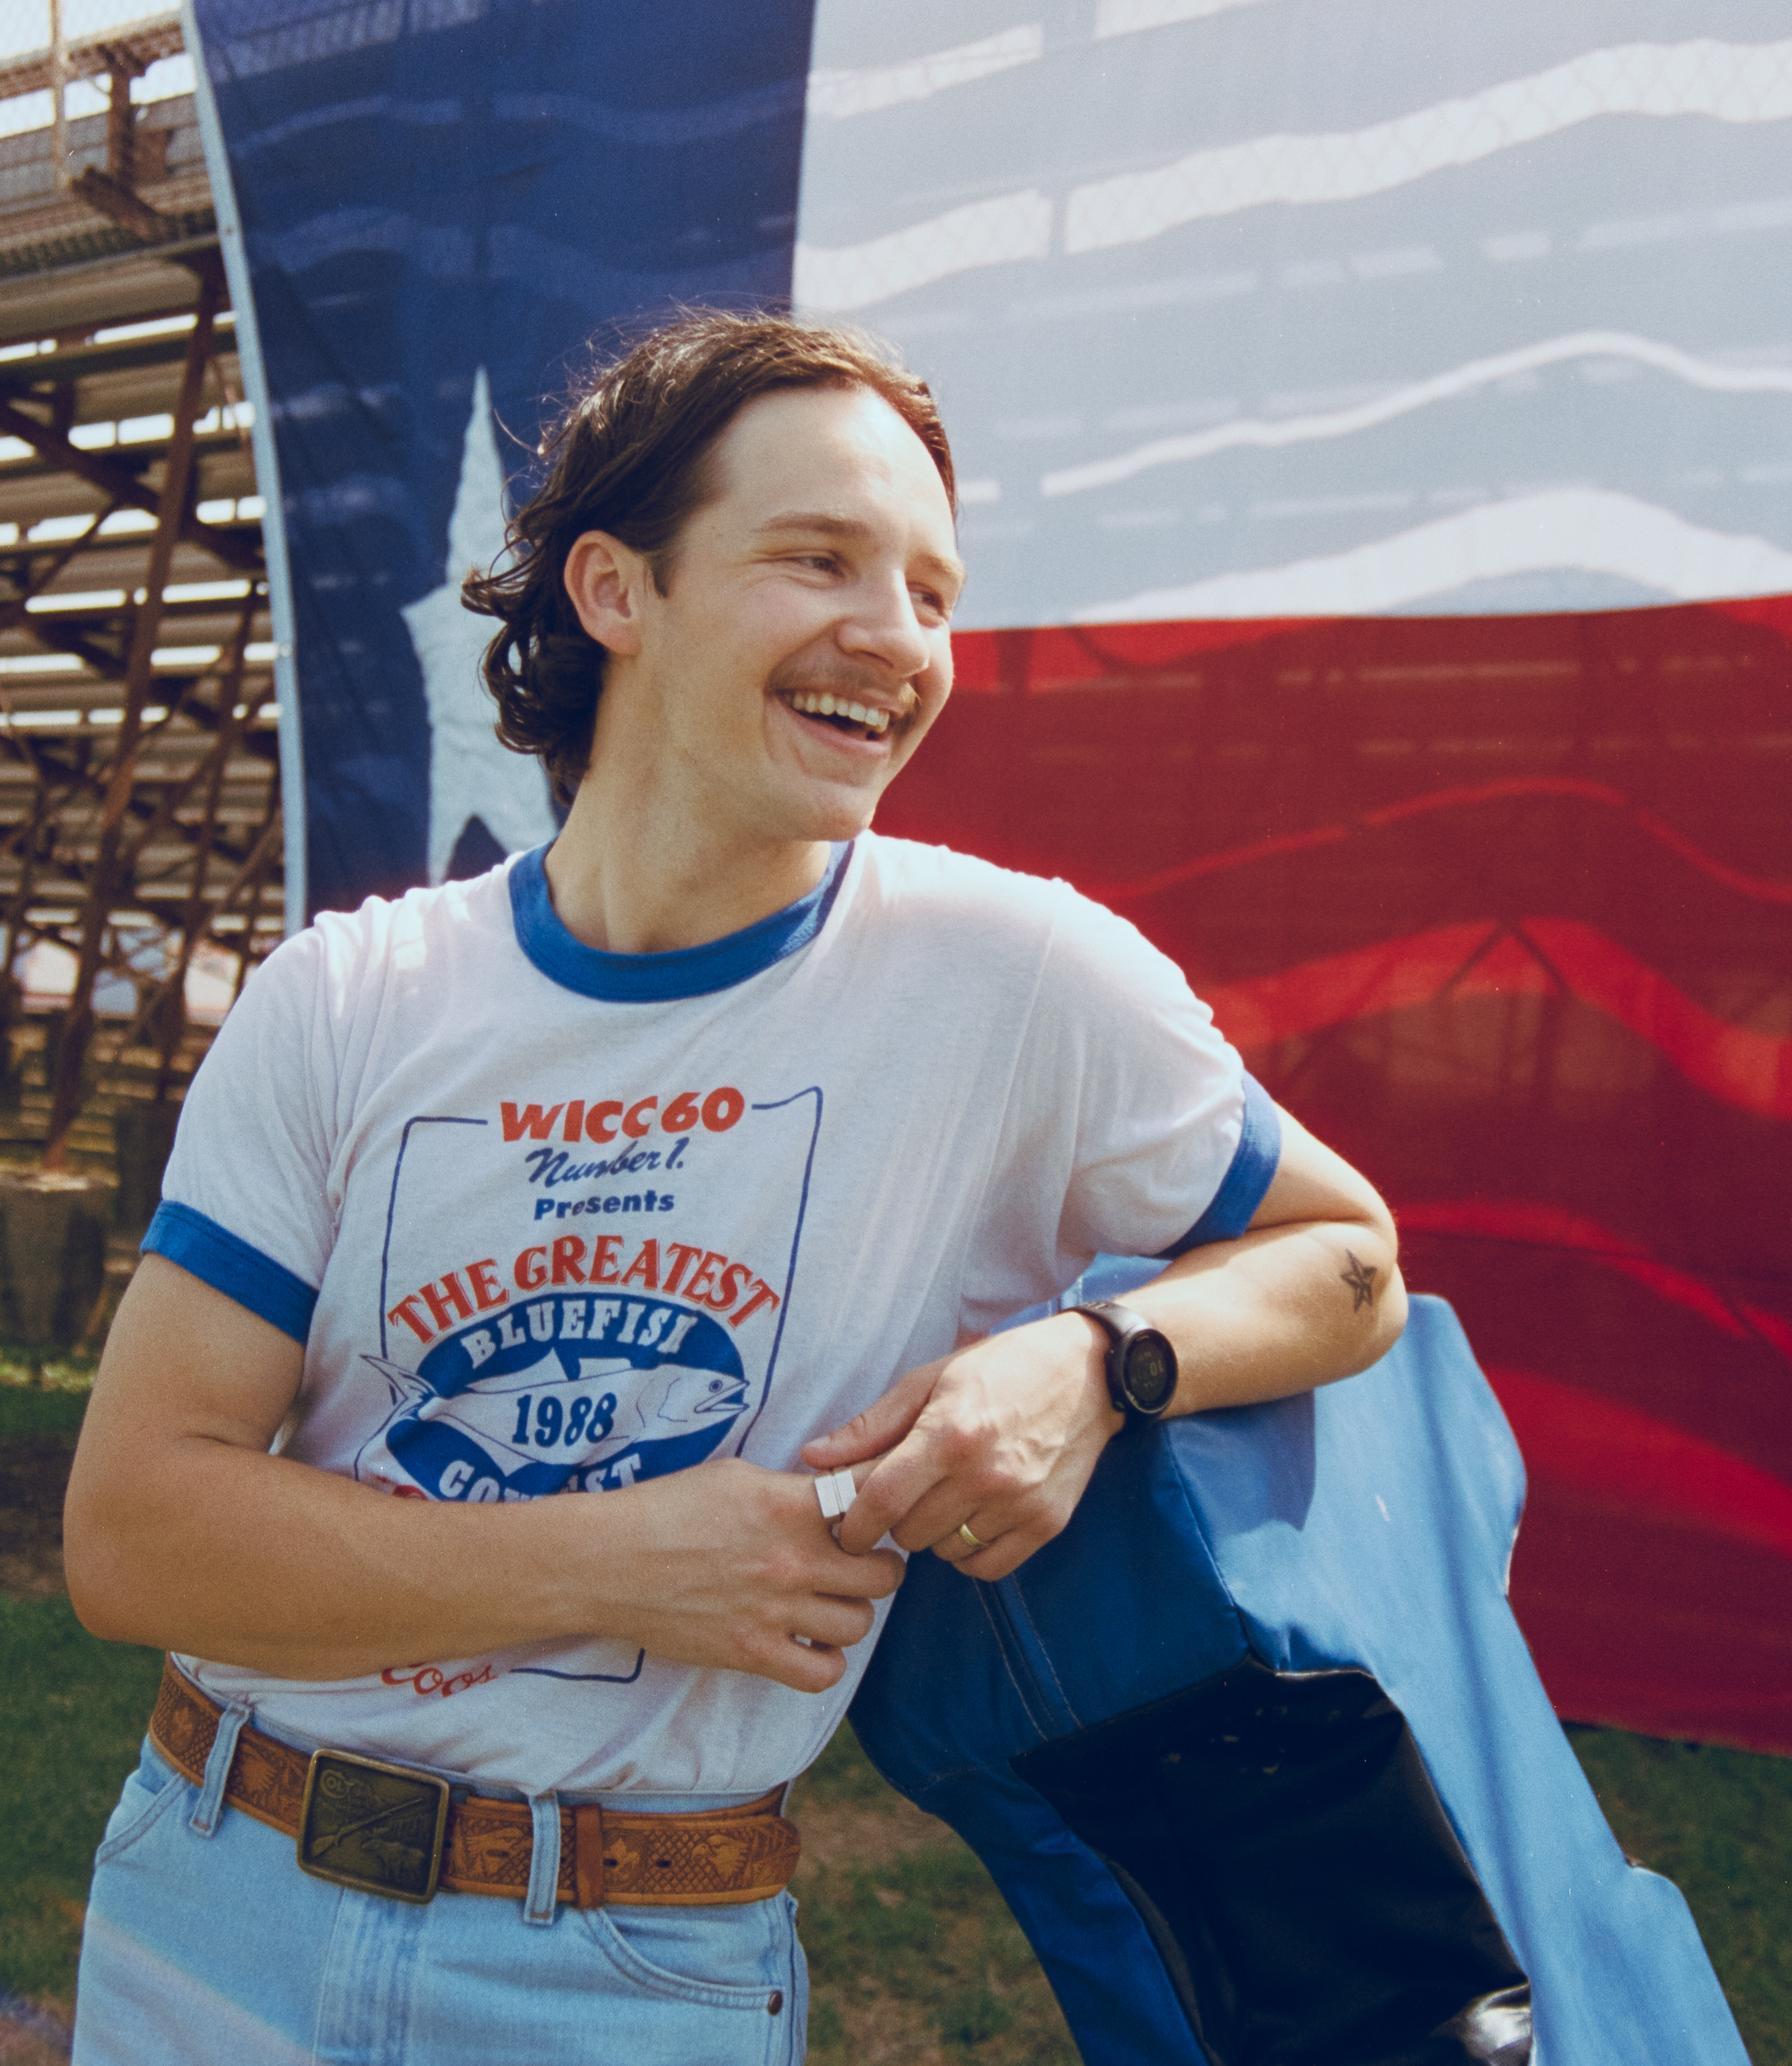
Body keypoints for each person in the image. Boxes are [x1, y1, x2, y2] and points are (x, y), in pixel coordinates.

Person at [63, 311, 1405, 2064]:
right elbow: (135, 1531)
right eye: (820, 558)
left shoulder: (1016, 977)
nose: (898, 635)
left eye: (933, 587)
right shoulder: (348, 996)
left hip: (626, 1969)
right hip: (208, 1905)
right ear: (619, 590)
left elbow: (1347, 1261)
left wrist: (1091, 1361)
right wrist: (626, 1561)